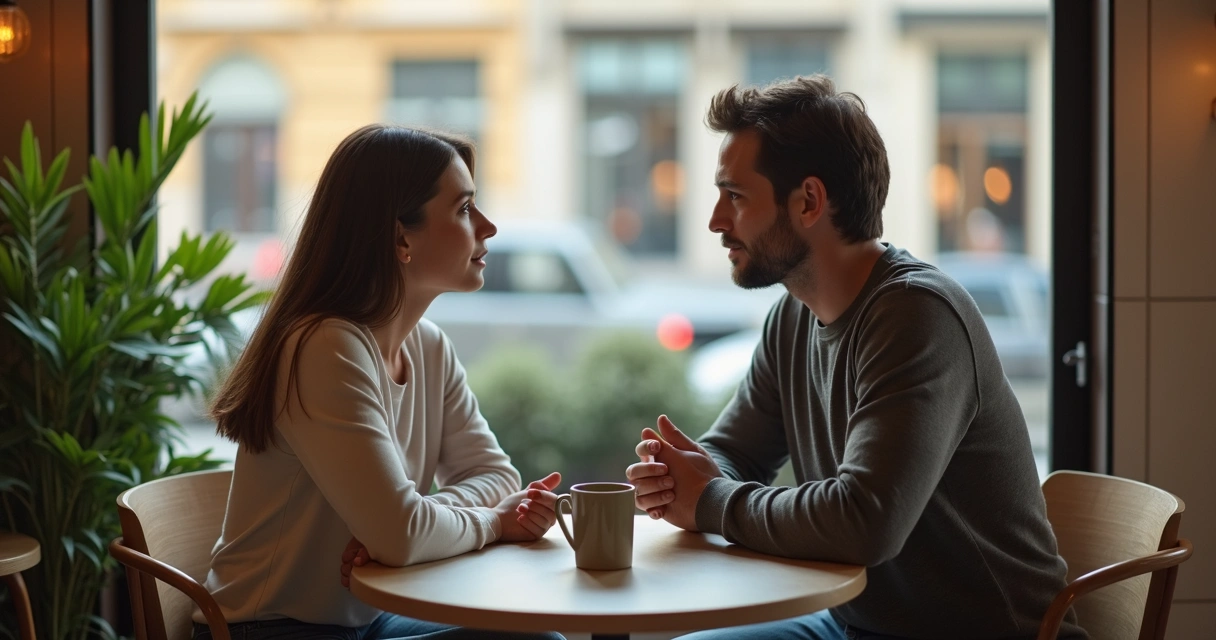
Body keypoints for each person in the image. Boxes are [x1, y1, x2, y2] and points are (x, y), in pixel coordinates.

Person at [625, 76, 1085, 640]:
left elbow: (865, 522)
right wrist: (681, 478)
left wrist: (712, 500)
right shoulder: (792, 315)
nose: (716, 221)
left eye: (736, 196)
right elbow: (735, 452)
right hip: (854, 625)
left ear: (810, 201)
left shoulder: (917, 316)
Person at [200, 124, 565, 640]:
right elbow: (407, 534)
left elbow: (498, 478)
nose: (488, 227)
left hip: (365, 619)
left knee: (535, 632)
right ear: (400, 238)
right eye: (463, 209)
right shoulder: (324, 346)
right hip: (272, 629)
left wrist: (419, 519)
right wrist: (488, 524)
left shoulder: (429, 345)